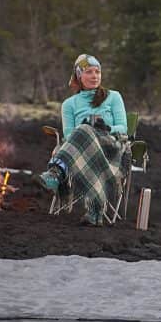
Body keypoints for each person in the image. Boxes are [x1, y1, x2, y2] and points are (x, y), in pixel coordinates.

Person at [35, 53, 130, 225]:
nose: (95, 76)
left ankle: (56, 172)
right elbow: (69, 134)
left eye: (97, 72)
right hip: (81, 151)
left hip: (110, 146)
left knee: (85, 128)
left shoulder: (114, 97)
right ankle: (95, 211)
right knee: (83, 129)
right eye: (89, 72)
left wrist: (105, 127)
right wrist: (87, 129)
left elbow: (123, 128)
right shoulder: (69, 104)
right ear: (79, 76)